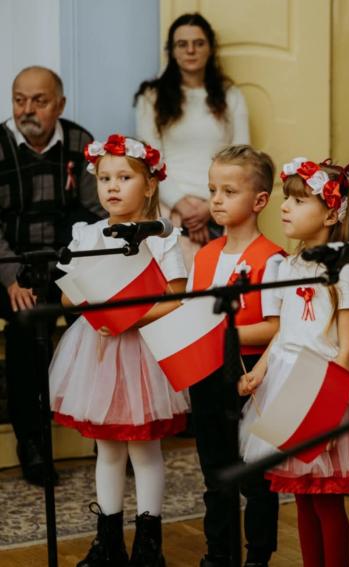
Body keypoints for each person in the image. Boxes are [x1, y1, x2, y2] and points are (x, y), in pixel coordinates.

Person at [238, 158, 349, 567]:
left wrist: (331, 411)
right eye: (286, 199)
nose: (285, 207)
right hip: (287, 386)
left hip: (324, 387)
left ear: (331, 213)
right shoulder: (287, 266)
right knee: (301, 497)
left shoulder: (346, 272)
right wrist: (259, 371)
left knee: (326, 501)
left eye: (299, 201)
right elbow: (284, 332)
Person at [49, 134, 189, 566]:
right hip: (98, 351)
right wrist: (92, 303)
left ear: (149, 185)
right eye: (104, 178)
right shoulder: (88, 235)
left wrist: (130, 318)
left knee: (144, 449)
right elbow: (68, 296)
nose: (112, 186)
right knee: (107, 449)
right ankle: (107, 542)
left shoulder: (161, 237)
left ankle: (148, 545)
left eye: (124, 177)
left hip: (143, 353)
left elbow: (176, 298)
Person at [0, 66, 104, 486]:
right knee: (27, 326)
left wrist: (87, 269)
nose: (27, 109)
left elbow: (96, 212)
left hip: (67, 263)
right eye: (19, 100)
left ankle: (105, 433)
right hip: (12, 265)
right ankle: (33, 442)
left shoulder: (80, 142)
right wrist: (12, 277)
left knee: (102, 322)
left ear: (59, 105)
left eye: (39, 101)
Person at [187, 145, 284, 567]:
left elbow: (276, 326)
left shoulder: (272, 260)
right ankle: (218, 552)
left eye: (229, 191)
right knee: (215, 471)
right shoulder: (205, 255)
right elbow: (192, 312)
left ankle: (258, 556)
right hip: (208, 374)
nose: (217, 200)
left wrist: (222, 334)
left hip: (251, 374)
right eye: (213, 190)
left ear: (259, 201)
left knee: (256, 475)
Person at [135, 12, 250, 263]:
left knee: (220, 279)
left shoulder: (230, 95)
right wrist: (184, 206)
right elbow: (149, 161)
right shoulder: (151, 97)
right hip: (168, 209)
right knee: (173, 280)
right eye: (182, 44)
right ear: (172, 51)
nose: (190, 50)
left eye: (198, 43)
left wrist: (210, 206)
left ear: (210, 49)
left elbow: (242, 158)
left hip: (221, 206)